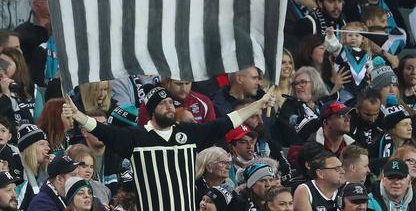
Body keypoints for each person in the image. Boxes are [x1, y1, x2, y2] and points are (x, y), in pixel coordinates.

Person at [63, 83, 274, 211]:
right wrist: (79, 116)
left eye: (171, 103)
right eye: (163, 104)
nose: (169, 106)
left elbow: (226, 122)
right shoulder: (136, 138)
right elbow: (102, 131)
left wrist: (258, 104)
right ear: (152, 111)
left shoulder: (189, 133)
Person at [276, 66, 327, 146]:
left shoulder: (323, 104)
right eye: (295, 84)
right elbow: (290, 133)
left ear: (314, 83)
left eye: (303, 82)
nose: (298, 86)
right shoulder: (289, 106)